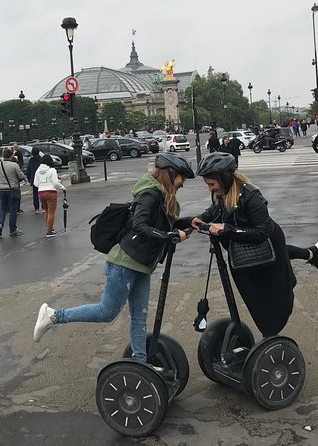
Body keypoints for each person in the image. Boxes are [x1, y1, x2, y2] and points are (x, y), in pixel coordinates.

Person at [33, 152, 196, 362]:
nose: (182, 182)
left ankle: (139, 362)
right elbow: (140, 225)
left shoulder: (161, 194)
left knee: (139, 317)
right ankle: (54, 315)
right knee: (106, 312)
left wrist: (188, 222)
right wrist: (169, 236)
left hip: (142, 264)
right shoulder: (150, 194)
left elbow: (163, 224)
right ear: (170, 173)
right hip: (125, 262)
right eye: (181, 176)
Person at [189, 152, 318, 337]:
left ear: (225, 179)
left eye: (211, 184)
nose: (210, 189)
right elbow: (215, 210)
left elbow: (262, 232)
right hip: (244, 246)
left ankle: (270, 334)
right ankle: (312, 253)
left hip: (267, 241)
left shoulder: (252, 196)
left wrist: (227, 229)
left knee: (274, 291)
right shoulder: (222, 193)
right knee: (261, 284)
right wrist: (201, 219)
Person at [0, 147, 25, 238]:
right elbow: (21, 176)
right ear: (11, 156)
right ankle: (13, 229)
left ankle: (0, 224)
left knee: (3, 208)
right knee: (13, 209)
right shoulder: (14, 165)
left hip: (2, 189)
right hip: (12, 189)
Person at [34, 154, 66, 238]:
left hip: (41, 192)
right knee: (52, 212)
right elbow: (55, 183)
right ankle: (49, 230)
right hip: (51, 191)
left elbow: (35, 183)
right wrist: (62, 187)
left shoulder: (37, 171)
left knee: (47, 211)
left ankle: (49, 228)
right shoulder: (52, 170)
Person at [26, 147, 43, 213]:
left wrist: (29, 178)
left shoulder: (31, 160)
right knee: (42, 193)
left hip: (34, 179)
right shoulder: (41, 160)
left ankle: (36, 208)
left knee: (35, 194)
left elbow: (28, 170)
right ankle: (43, 207)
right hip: (41, 178)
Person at [12, 144, 25, 214]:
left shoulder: (12, 154)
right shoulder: (19, 153)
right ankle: (17, 208)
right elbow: (21, 162)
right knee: (17, 194)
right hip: (16, 177)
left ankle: (13, 208)